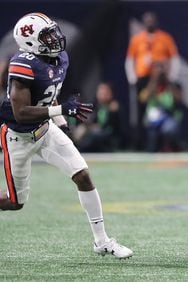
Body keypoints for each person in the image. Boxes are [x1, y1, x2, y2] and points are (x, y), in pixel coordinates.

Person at [0, 12, 132, 258]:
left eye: (52, 32)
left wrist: (59, 120)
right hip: (18, 137)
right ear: (30, 42)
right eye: (46, 36)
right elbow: (21, 113)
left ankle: (101, 241)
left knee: (83, 176)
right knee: (14, 202)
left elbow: (49, 93)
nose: (54, 39)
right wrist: (60, 111)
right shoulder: (22, 65)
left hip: (45, 130)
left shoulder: (59, 57)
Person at [125, 11, 180, 150]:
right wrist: (132, 78)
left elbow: (174, 57)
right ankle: (140, 142)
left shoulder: (165, 38)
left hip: (162, 79)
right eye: (147, 21)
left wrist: (172, 76)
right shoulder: (137, 39)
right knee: (141, 111)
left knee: (167, 108)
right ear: (144, 23)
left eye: (152, 20)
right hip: (143, 79)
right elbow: (130, 59)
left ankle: (167, 143)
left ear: (156, 22)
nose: (150, 23)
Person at [140, 62, 183, 152]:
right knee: (152, 129)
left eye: (161, 71)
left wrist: (168, 82)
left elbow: (179, 99)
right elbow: (143, 99)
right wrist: (153, 81)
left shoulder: (173, 84)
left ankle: (172, 147)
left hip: (169, 117)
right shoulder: (148, 84)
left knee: (169, 129)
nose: (159, 74)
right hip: (153, 118)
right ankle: (153, 149)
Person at [73, 82, 121, 152]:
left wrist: (112, 112)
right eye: (100, 92)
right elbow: (92, 120)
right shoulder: (96, 106)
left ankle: (79, 150)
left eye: (105, 92)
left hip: (108, 135)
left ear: (110, 94)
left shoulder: (114, 107)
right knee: (80, 130)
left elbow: (112, 127)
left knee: (93, 136)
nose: (102, 95)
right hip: (95, 131)